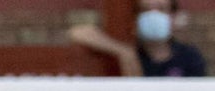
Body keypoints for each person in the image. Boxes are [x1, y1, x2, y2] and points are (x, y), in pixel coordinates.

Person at [68, 0, 206, 77]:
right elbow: (78, 32)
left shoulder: (189, 57)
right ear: (136, 18)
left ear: (174, 17)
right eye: (145, 10)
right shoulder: (132, 53)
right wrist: (123, 52)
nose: (153, 15)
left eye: (161, 9)